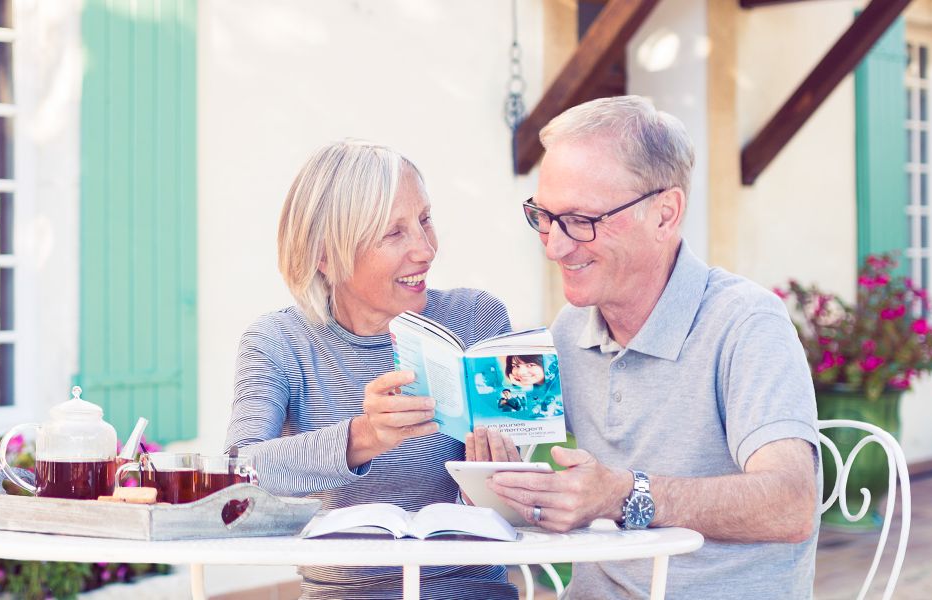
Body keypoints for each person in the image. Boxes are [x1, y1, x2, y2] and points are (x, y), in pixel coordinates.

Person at [484, 95, 820, 599]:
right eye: (545, 216)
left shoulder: (747, 323)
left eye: (582, 220)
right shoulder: (571, 328)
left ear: (665, 214)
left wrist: (624, 495)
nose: (555, 245)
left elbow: (791, 504)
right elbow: (519, 466)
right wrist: (495, 466)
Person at [225, 140, 519, 599]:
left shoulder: (475, 320)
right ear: (326, 255)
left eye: (425, 220)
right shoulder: (279, 341)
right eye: (394, 233)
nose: (426, 250)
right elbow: (237, 473)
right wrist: (365, 437)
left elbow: (511, 507)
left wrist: (498, 480)